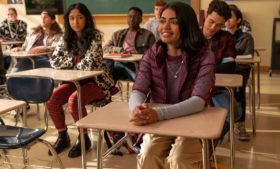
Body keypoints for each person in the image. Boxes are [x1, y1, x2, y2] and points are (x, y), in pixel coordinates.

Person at [129, 2, 215, 169]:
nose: (165, 26)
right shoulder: (153, 53)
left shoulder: (204, 55)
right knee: (148, 155)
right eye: (162, 20)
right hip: (161, 122)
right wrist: (137, 109)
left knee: (179, 158)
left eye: (174, 22)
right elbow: (139, 88)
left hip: (194, 119)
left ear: (186, 25)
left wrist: (157, 114)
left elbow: (198, 101)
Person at [47, 3, 114, 158]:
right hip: (73, 82)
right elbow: (54, 62)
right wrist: (77, 60)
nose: (75, 22)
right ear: (67, 20)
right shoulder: (66, 37)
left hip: (96, 83)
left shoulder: (95, 36)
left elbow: (89, 64)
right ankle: (63, 136)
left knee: (74, 100)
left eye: (80, 18)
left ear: (87, 19)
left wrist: (69, 62)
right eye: (71, 18)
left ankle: (83, 138)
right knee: (53, 99)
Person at [202, 0, 239, 141]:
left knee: (233, 112)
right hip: (191, 88)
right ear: (206, 15)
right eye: (211, 21)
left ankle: (209, 145)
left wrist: (201, 68)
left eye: (219, 25)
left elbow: (229, 67)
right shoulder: (192, 37)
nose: (212, 27)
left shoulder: (226, 39)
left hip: (216, 87)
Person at [225, 4, 254, 141]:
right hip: (224, 70)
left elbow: (249, 57)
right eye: (225, 18)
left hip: (240, 71)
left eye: (230, 17)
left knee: (238, 88)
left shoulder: (246, 37)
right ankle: (221, 123)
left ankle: (240, 124)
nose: (227, 20)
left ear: (238, 20)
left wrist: (233, 59)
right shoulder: (221, 36)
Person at [103, 7, 155, 82]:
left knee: (116, 66)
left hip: (136, 64)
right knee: (108, 62)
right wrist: (119, 50)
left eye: (135, 17)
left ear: (141, 19)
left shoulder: (148, 35)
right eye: (130, 17)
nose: (132, 19)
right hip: (119, 64)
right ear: (127, 18)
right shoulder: (117, 34)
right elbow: (105, 48)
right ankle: (107, 87)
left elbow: (153, 54)